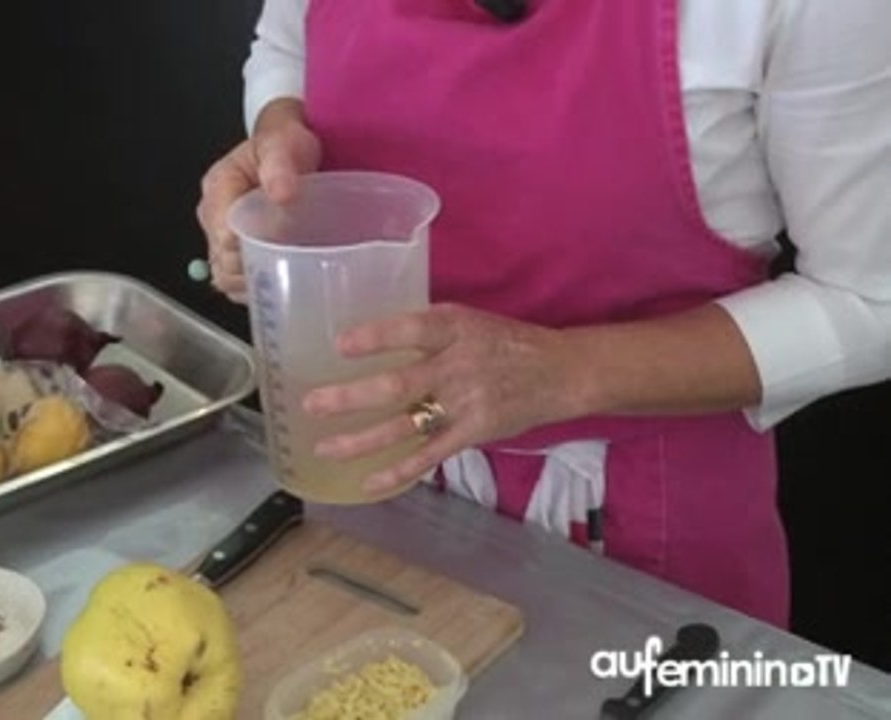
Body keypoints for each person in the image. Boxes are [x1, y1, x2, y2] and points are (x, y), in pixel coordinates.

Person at [195, 0, 891, 628]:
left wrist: (558, 372)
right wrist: (278, 133)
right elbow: (284, 40)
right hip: (367, 475)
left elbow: (870, 302)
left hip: (642, 525)